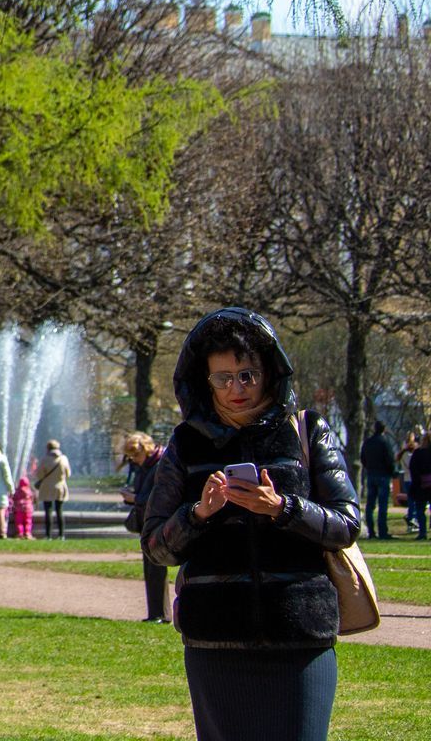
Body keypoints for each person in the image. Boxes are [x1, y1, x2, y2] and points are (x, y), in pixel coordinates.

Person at [142, 307, 359, 741]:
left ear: (269, 372)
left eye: (247, 375)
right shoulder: (186, 443)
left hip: (299, 636)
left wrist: (283, 508)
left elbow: (347, 524)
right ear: (204, 382)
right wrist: (198, 515)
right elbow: (156, 547)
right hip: (216, 640)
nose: (236, 388)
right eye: (223, 378)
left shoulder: (306, 429)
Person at [120, 432, 168, 623]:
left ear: (146, 450)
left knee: (156, 567)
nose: (134, 460)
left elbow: (163, 496)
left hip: (159, 521)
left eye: (136, 455)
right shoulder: (145, 466)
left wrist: (135, 498)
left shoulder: (160, 464)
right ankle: (155, 613)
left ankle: (161, 614)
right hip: (147, 521)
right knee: (150, 568)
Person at [358, 420, 396, 540]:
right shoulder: (385, 442)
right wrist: (392, 472)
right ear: (384, 429)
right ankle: (382, 531)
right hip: (383, 475)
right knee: (383, 505)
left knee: (370, 505)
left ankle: (371, 531)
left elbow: (363, 458)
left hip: (371, 474)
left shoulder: (368, 442)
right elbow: (390, 460)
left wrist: (368, 466)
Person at [34, 439, 70, 539]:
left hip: (47, 487)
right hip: (60, 486)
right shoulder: (64, 459)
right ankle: (61, 535)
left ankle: (48, 535)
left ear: (48, 448)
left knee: (48, 511)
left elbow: (39, 474)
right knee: (59, 511)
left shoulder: (45, 459)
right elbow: (68, 474)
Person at [408, 430, 431, 540]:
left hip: (420, 486)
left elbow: (413, 468)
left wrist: (418, 482)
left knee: (420, 511)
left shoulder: (418, 453)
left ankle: (423, 532)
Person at [9, 475, 35, 540]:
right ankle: (27, 533)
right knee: (28, 522)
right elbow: (32, 499)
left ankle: (20, 533)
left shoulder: (17, 490)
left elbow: (14, 498)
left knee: (19, 522)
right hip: (28, 509)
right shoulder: (29, 491)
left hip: (19, 509)